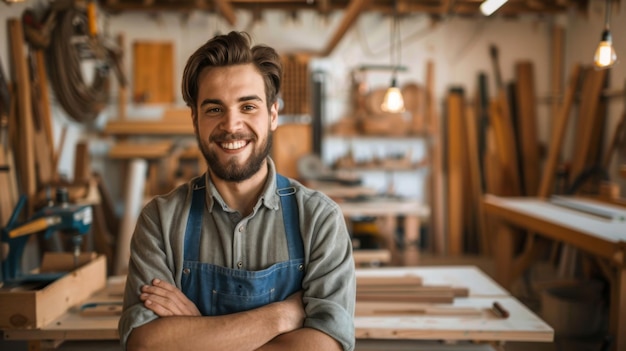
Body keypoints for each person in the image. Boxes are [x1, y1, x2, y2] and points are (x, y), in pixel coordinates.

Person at [117, 31, 356, 351]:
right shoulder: (161, 220)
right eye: (215, 109)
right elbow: (145, 345)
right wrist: (280, 316)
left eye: (248, 107)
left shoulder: (318, 218)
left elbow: (326, 346)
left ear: (272, 115)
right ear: (195, 119)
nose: (231, 125)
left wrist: (194, 332)